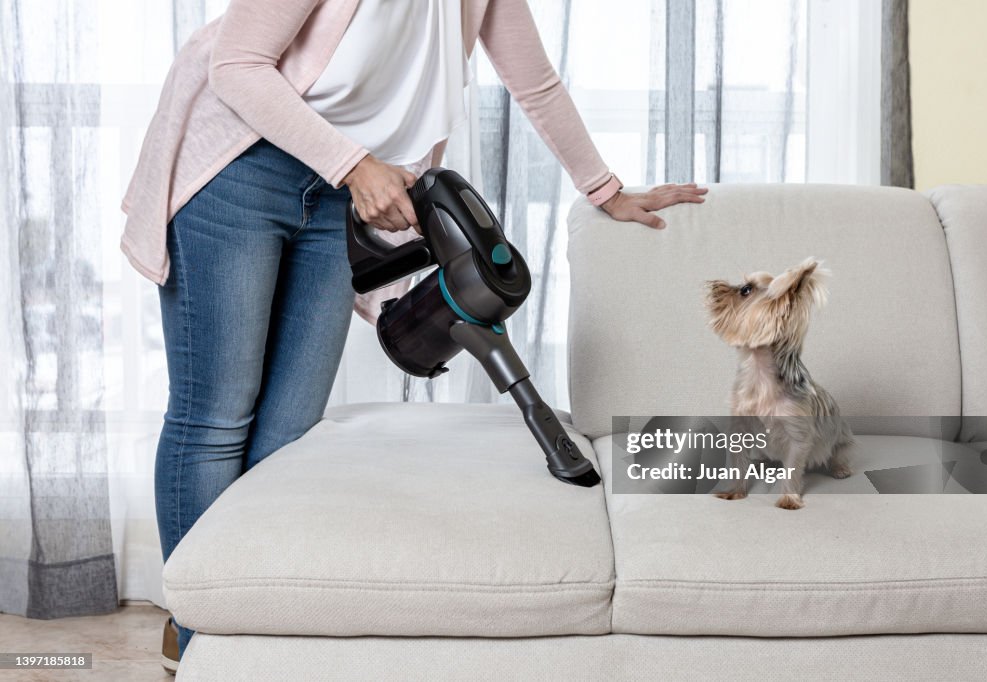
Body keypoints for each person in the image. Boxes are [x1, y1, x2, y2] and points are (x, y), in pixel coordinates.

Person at [120, 0, 707, 672]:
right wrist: (354, 165)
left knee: (287, 429)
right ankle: (203, 641)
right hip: (241, 168)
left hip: (341, 193)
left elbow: (535, 82)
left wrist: (604, 190)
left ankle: (249, 625)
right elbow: (237, 66)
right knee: (217, 417)